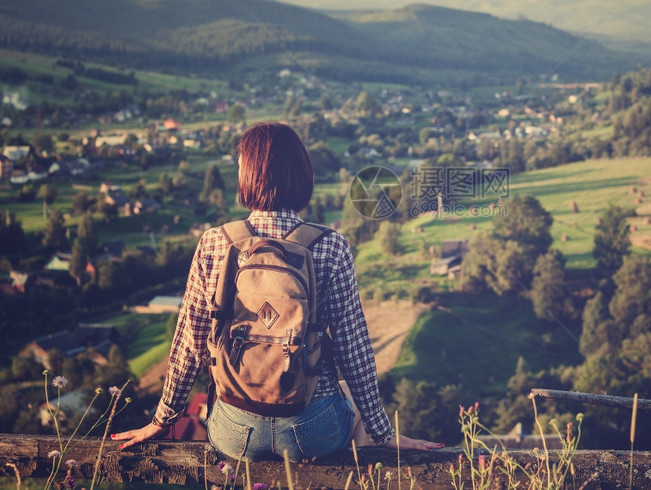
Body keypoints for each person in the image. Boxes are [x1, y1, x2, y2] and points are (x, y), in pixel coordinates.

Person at [112, 122, 443, 460]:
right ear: (302, 175)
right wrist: (384, 431)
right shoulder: (330, 246)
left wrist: (162, 419)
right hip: (309, 429)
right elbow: (353, 350)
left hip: (234, 429)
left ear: (247, 176)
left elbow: (190, 345)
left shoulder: (214, 243)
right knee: (352, 403)